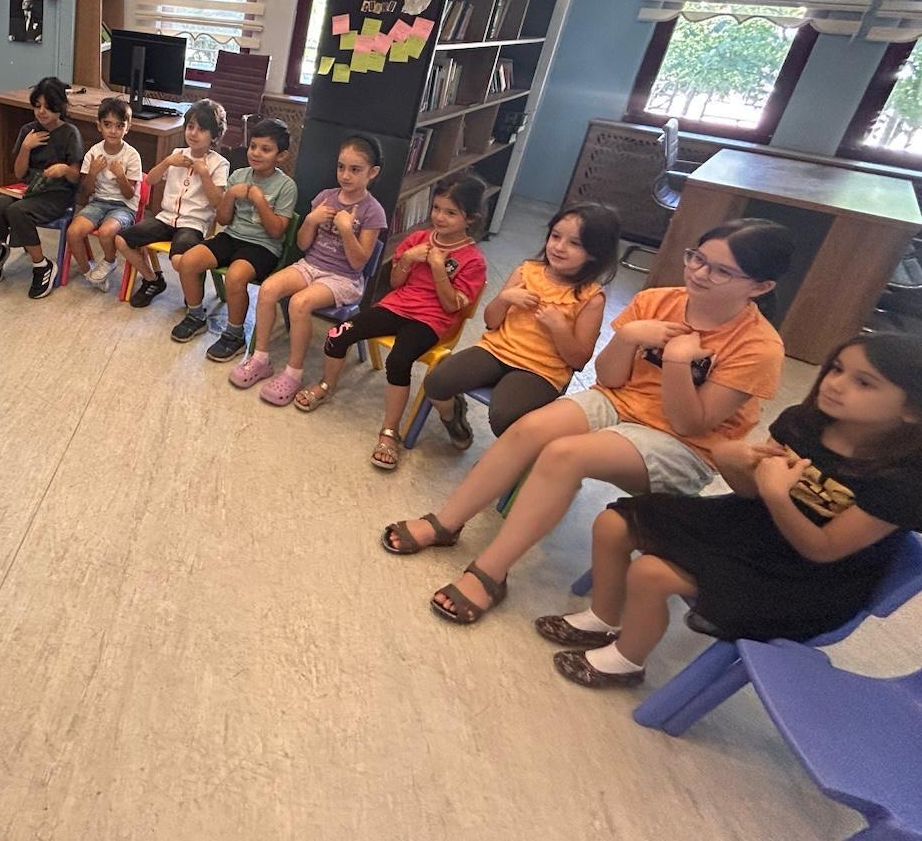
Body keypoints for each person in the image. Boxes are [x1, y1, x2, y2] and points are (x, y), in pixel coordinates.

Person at [383, 217, 793, 627]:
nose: (699, 273)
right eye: (697, 259)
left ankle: (490, 572)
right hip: (619, 401)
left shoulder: (758, 347)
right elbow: (609, 380)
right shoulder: (657, 300)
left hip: (683, 444)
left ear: (760, 287)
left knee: (565, 455)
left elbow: (689, 424)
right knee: (529, 429)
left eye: (721, 271)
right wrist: (629, 337)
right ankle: (447, 523)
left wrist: (676, 361)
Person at [539, 333, 922, 688]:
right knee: (612, 524)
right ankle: (604, 618)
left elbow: (823, 550)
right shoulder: (802, 423)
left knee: (650, 574)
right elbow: (749, 491)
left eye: (864, 383)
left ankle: (627, 660)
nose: (836, 384)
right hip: (752, 524)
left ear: (912, 411)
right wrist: (731, 460)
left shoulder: (903, 482)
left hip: (807, 579)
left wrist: (776, 495)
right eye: (837, 369)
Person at [295, 175, 488, 473]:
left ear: (470, 218)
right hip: (396, 306)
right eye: (436, 208)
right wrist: (408, 258)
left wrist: (438, 269)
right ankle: (326, 384)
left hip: (431, 320)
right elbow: (397, 283)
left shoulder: (473, 260)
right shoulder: (417, 240)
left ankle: (389, 431)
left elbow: (452, 306)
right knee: (337, 334)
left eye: (451, 212)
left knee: (398, 361)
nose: (439, 217)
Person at [421, 202, 619, 448]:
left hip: (540, 371)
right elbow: (491, 321)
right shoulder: (526, 271)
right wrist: (505, 299)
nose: (559, 247)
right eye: (555, 236)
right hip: (495, 351)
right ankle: (454, 418)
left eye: (575, 243)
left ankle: (510, 460)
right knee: (436, 383)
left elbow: (578, 360)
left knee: (504, 417)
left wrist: (559, 327)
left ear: (595, 253)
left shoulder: (591, 298)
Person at [229, 135, 385, 407]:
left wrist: (347, 230)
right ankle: (261, 359)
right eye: (341, 167)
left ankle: (293, 373)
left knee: (299, 303)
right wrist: (311, 220)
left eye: (355, 169)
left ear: (372, 173)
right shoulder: (325, 197)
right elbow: (302, 245)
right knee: (268, 289)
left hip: (343, 278)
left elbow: (358, 263)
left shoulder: (372, 211)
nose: (345, 175)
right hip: (311, 265)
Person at [170, 118, 298, 362]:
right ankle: (195, 315)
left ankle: (235, 334)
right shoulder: (239, 175)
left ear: (281, 156)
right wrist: (229, 197)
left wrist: (259, 201)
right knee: (188, 262)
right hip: (231, 236)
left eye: (266, 149)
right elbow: (223, 219)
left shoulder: (286, 186)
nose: (256, 153)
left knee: (236, 277)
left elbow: (276, 232)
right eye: (253, 146)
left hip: (263, 246)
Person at [117, 99, 230, 308]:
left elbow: (218, 203)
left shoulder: (219, 164)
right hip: (165, 219)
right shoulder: (176, 154)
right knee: (122, 240)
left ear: (214, 136)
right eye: (190, 126)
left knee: (179, 261)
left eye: (202, 129)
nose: (193, 133)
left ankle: (194, 291)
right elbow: (150, 180)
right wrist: (167, 162)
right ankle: (153, 279)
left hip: (193, 224)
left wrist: (204, 174)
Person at [0, 76, 82, 299]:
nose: (41, 112)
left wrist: (64, 170)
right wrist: (26, 148)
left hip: (57, 194)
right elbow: (19, 173)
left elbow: (76, 177)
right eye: (37, 106)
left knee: (18, 211)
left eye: (48, 107)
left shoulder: (70, 133)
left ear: (60, 107)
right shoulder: (28, 130)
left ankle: (42, 265)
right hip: (30, 190)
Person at [68, 97, 143, 288]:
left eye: (119, 125)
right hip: (97, 202)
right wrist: (92, 172)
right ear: (99, 126)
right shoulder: (93, 152)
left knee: (106, 232)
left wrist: (121, 176)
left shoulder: (132, 155)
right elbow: (85, 193)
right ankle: (89, 273)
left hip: (123, 207)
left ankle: (110, 261)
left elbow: (129, 195)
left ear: (128, 127)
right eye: (108, 124)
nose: (113, 131)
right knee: (73, 232)